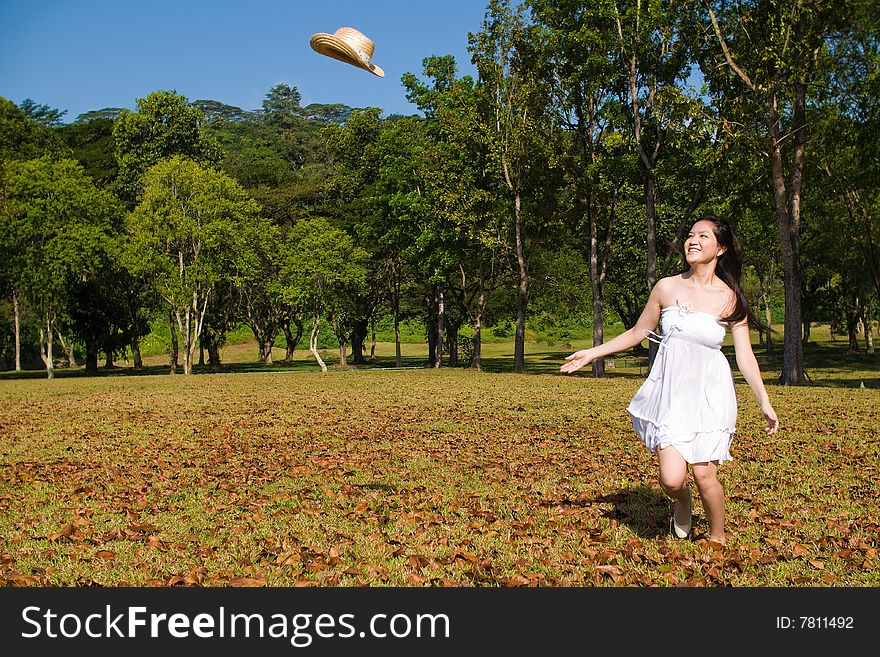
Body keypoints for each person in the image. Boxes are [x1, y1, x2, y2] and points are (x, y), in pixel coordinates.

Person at [560, 215, 779, 545]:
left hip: (710, 393)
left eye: (703, 237)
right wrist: (592, 353)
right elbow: (638, 332)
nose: (693, 241)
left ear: (720, 248)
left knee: (705, 475)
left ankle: (717, 537)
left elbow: (745, 356)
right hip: (672, 394)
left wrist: (763, 400)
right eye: (691, 235)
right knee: (671, 479)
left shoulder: (730, 297)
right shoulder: (667, 286)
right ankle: (683, 501)